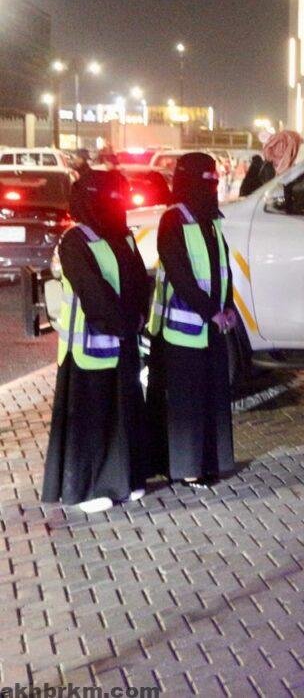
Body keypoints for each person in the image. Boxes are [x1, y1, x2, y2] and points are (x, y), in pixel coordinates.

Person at [43, 170, 151, 513]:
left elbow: (139, 281)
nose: (116, 204)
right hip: (87, 349)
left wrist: (137, 317)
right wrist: (124, 322)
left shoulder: (122, 236)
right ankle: (88, 489)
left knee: (124, 413)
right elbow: (93, 291)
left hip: (122, 342)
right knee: (92, 420)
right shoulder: (75, 240)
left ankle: (125, 480)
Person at [147, 153, 238, 488]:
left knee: (210, 398)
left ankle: (209, 462)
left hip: (211, 326)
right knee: (186, 403)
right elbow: (180, 272)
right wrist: (210, 310)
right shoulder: (173, 219)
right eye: (206, 178)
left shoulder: (211, 219)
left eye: (214, 178)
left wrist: (228, 307)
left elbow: (222, 268)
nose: (212, 184)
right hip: (181, 330)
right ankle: (185, 467)